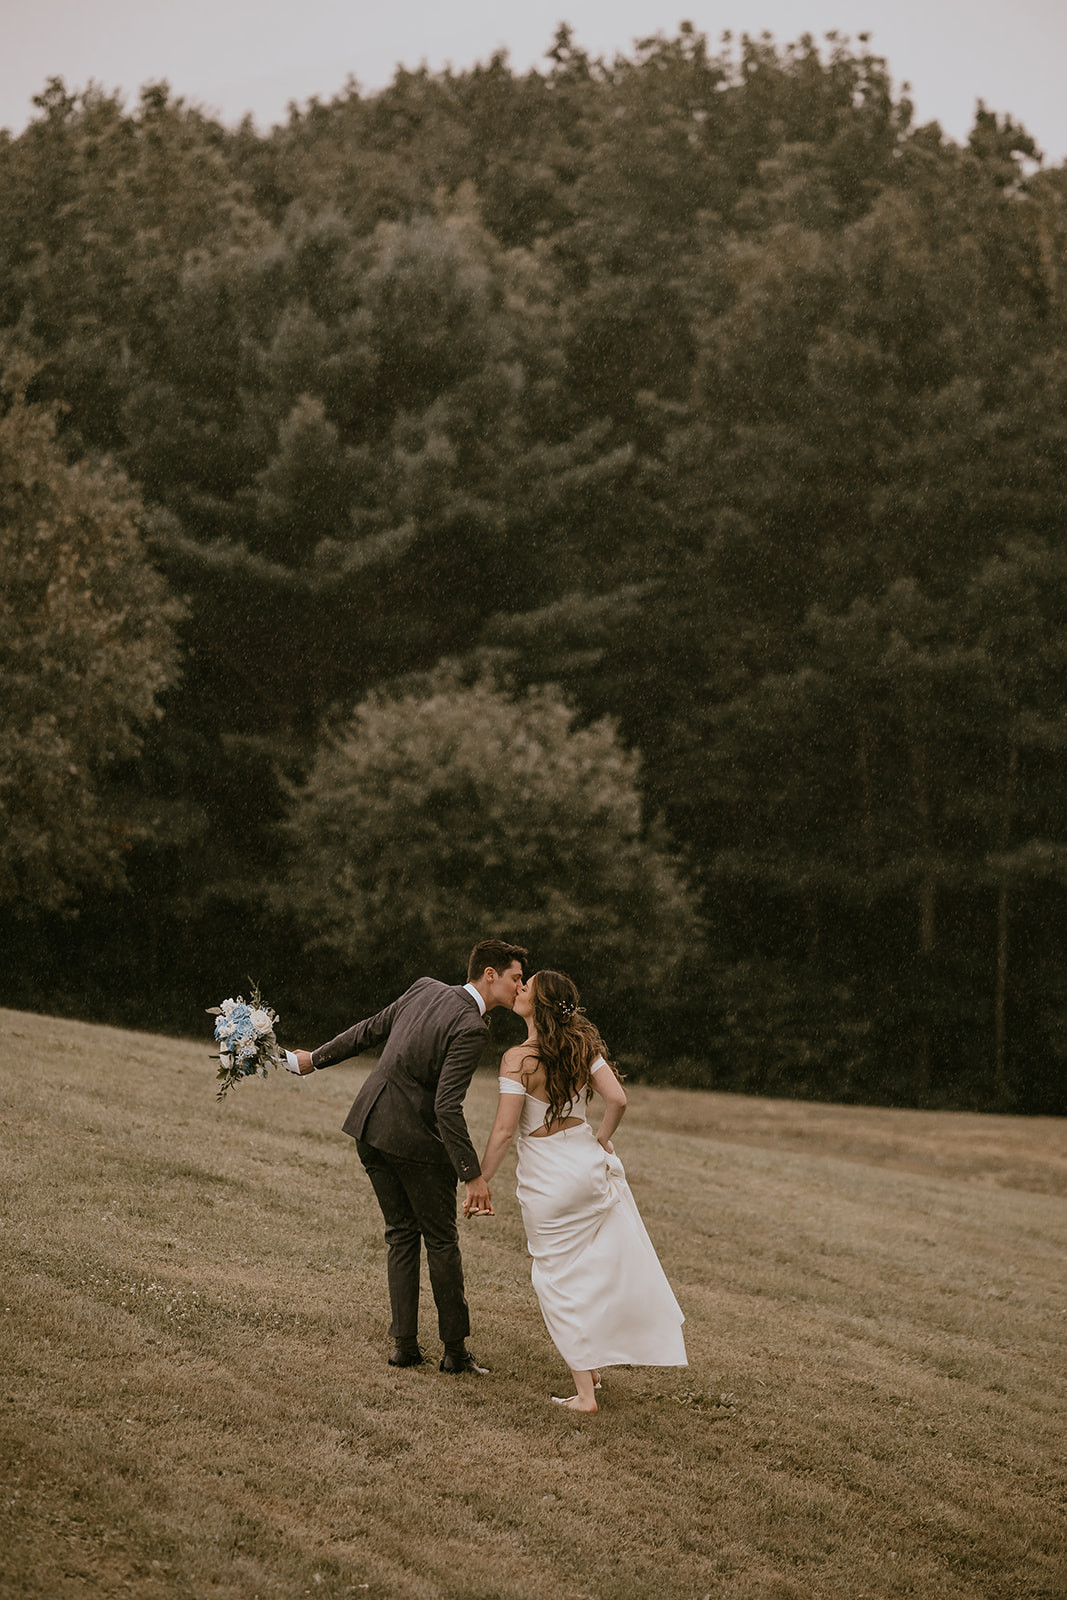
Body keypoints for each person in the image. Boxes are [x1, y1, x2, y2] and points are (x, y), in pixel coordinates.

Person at [287, 939, 527, 1374]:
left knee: (400, 1233)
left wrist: (313, 1060)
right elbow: (446, 1107)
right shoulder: (473, 1028)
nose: (520, 987)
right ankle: (454, 1353)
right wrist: (472, 1175)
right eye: (515, 978)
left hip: (369, 1126)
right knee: (441, 1241)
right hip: (413, 1143)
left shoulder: (424, 987)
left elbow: (367, 1029)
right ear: (489, 974)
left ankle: (405, 1347)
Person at [475, 968, 687, 1411]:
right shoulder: (582, 1046)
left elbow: (502, 1132)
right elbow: (618, 1100)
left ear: (540, 1003)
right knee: (587, 1269)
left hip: (548, 1178)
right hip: (587, 1166)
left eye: (527, 986)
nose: (520, 988)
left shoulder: (519, 1059)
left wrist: (481, 1180)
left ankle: (585, 1394)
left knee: (554, 1277)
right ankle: (590, 1367)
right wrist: (603, 1139)